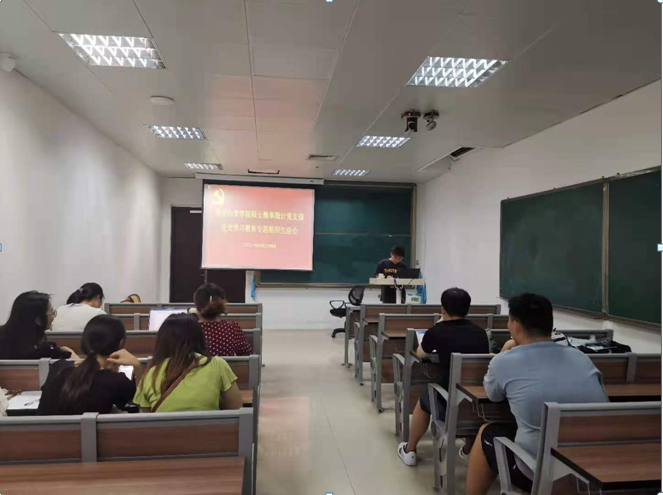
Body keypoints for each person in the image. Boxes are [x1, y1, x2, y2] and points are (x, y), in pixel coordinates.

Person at [465, 294, 608, 495]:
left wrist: (505, 352)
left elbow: (493, 396)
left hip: (540, 471)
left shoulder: (504, 362)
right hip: (594, 469)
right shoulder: (581, 357)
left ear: (516, 325)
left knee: (486, 432)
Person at [397, 287, 489, 466]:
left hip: (449, 403)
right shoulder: (480, 332)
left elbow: (420, 354)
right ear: (467, 309)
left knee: (426, 397)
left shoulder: (437, 331)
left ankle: (410, 450)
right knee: (465, 394)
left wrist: (439, 322)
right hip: (477, 404)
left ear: (443, 309)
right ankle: (468, 450)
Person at [133, 314, 243, 412]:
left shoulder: (151, 375)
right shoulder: (217, 365)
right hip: (208, 430)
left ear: (162, 341)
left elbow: (147, 421)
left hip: (166, 430)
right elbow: (237, 410)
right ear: (199, 337)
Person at [38, 315, 145, 415]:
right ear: (121, 343)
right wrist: (138, 366)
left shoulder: (58, 367)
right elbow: (142, 405)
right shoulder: (116, 381)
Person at [0, 291, 79, 360]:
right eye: (52, 313)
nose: (54, 316)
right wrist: (70, 354)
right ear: (39, 321)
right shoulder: (45, 353)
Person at [194, 283, 252, 356]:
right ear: (221, 305)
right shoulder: (232, 328)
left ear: (197, 305)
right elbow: (246, 354)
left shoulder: (189, 330)